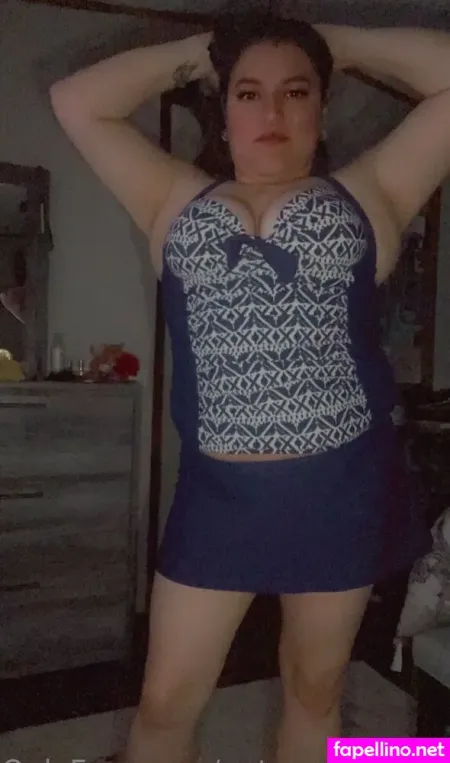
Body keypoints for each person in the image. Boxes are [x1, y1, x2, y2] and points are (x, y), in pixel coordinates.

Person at [50, 10, 450, 763]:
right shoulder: (174, 201)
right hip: (217, 502)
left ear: (321, 106)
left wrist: (340, 44)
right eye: (248, 93)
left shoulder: (370, 194)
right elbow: (76, 100)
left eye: (296, 91)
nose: (272, 112)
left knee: (313, 691)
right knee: (166, 702)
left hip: (339, 494)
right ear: (223, 108)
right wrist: (207, 51)